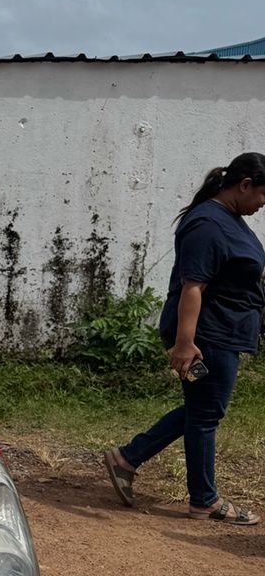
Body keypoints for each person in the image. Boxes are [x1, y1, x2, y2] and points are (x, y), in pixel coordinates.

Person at [102, 152, 265, 524]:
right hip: (208, 334)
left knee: (203, 410)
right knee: (206, 415)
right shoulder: (208, 224)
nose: (262, 204)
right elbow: (193, 286)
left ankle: (127, 458)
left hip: (224, 330)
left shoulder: (230, 219)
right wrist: (184, 343)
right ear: (244, 185)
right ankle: (203, 500)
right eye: (262, 195)